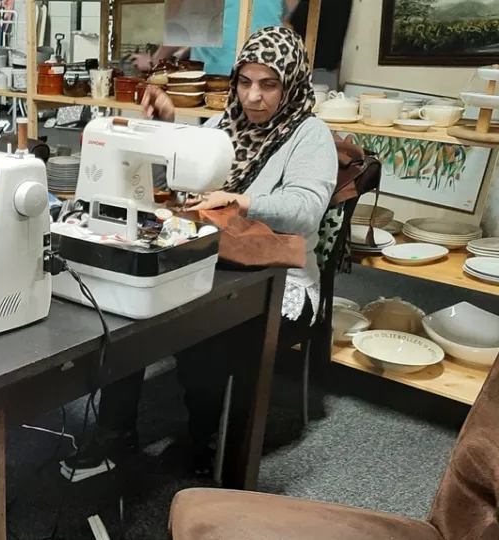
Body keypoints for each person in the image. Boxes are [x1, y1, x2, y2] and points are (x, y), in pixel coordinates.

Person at [63, 26, 337, 480]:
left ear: (290, 83)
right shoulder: (226, 122)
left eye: (268, 84)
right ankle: (114, 431)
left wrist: (242, 200)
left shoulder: (311, 135)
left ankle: (208, 438)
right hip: (213, 258)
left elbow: (307, 211)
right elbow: (185, 166)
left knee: (207, 336)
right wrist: (168, 126)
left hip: (276, 279)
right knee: (129, 307)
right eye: (244, 81)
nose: (253, 97)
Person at [130, 0, 283, 74]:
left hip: (221, 79)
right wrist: (192, 48)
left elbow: (183, 30)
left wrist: (153, 61)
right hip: (269, 74)